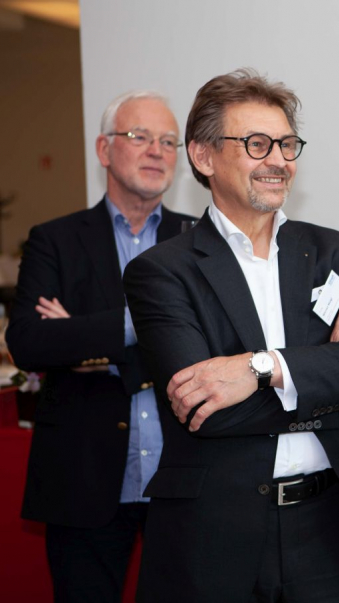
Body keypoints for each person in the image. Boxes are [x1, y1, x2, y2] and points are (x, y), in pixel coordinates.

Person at [122, 68, 339, 603]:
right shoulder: (161, 271)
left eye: (287, 144)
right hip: (216, 538)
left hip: (335, 529)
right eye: (256, 144)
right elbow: (208, 409)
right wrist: (329, 367)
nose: (279, 159)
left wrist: (262, 369)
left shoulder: (331, 252)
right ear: (204, 157)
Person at [6, 90, 194, 602]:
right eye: (139, 137)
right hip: (83, 479)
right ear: (103, 149)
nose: (157, 151)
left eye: (168, 141)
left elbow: (216, 346)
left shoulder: (199, 242)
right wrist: (145, 324)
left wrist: (85, 335)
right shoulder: (55, 240)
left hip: (184, 481)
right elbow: (27, 342)